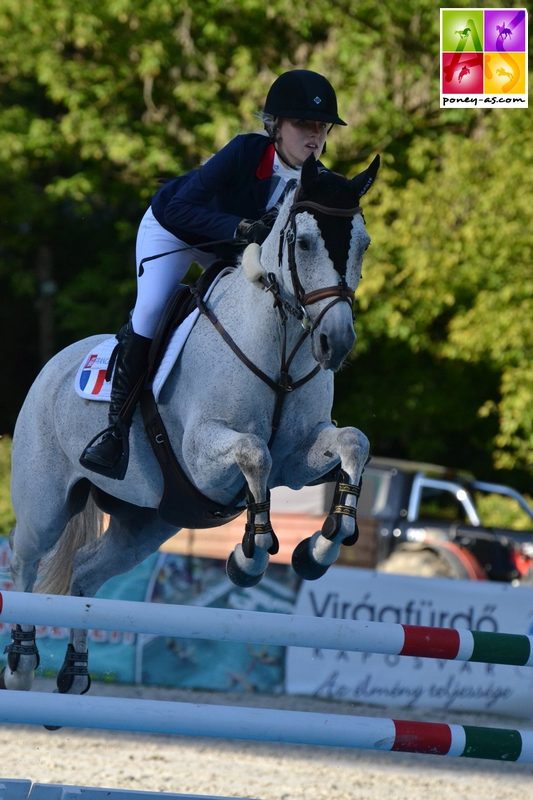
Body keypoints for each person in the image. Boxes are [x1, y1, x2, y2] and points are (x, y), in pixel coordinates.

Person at [80, 69, 347, 479]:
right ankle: (114, 431)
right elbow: (179, 209)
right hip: (173, 230)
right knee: (151, 309)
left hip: (228, 248)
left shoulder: (318, 181)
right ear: (275, 126)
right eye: (303, 125)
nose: (315, 136)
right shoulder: (245, 152)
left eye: (322, 127)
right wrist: (241, 229)